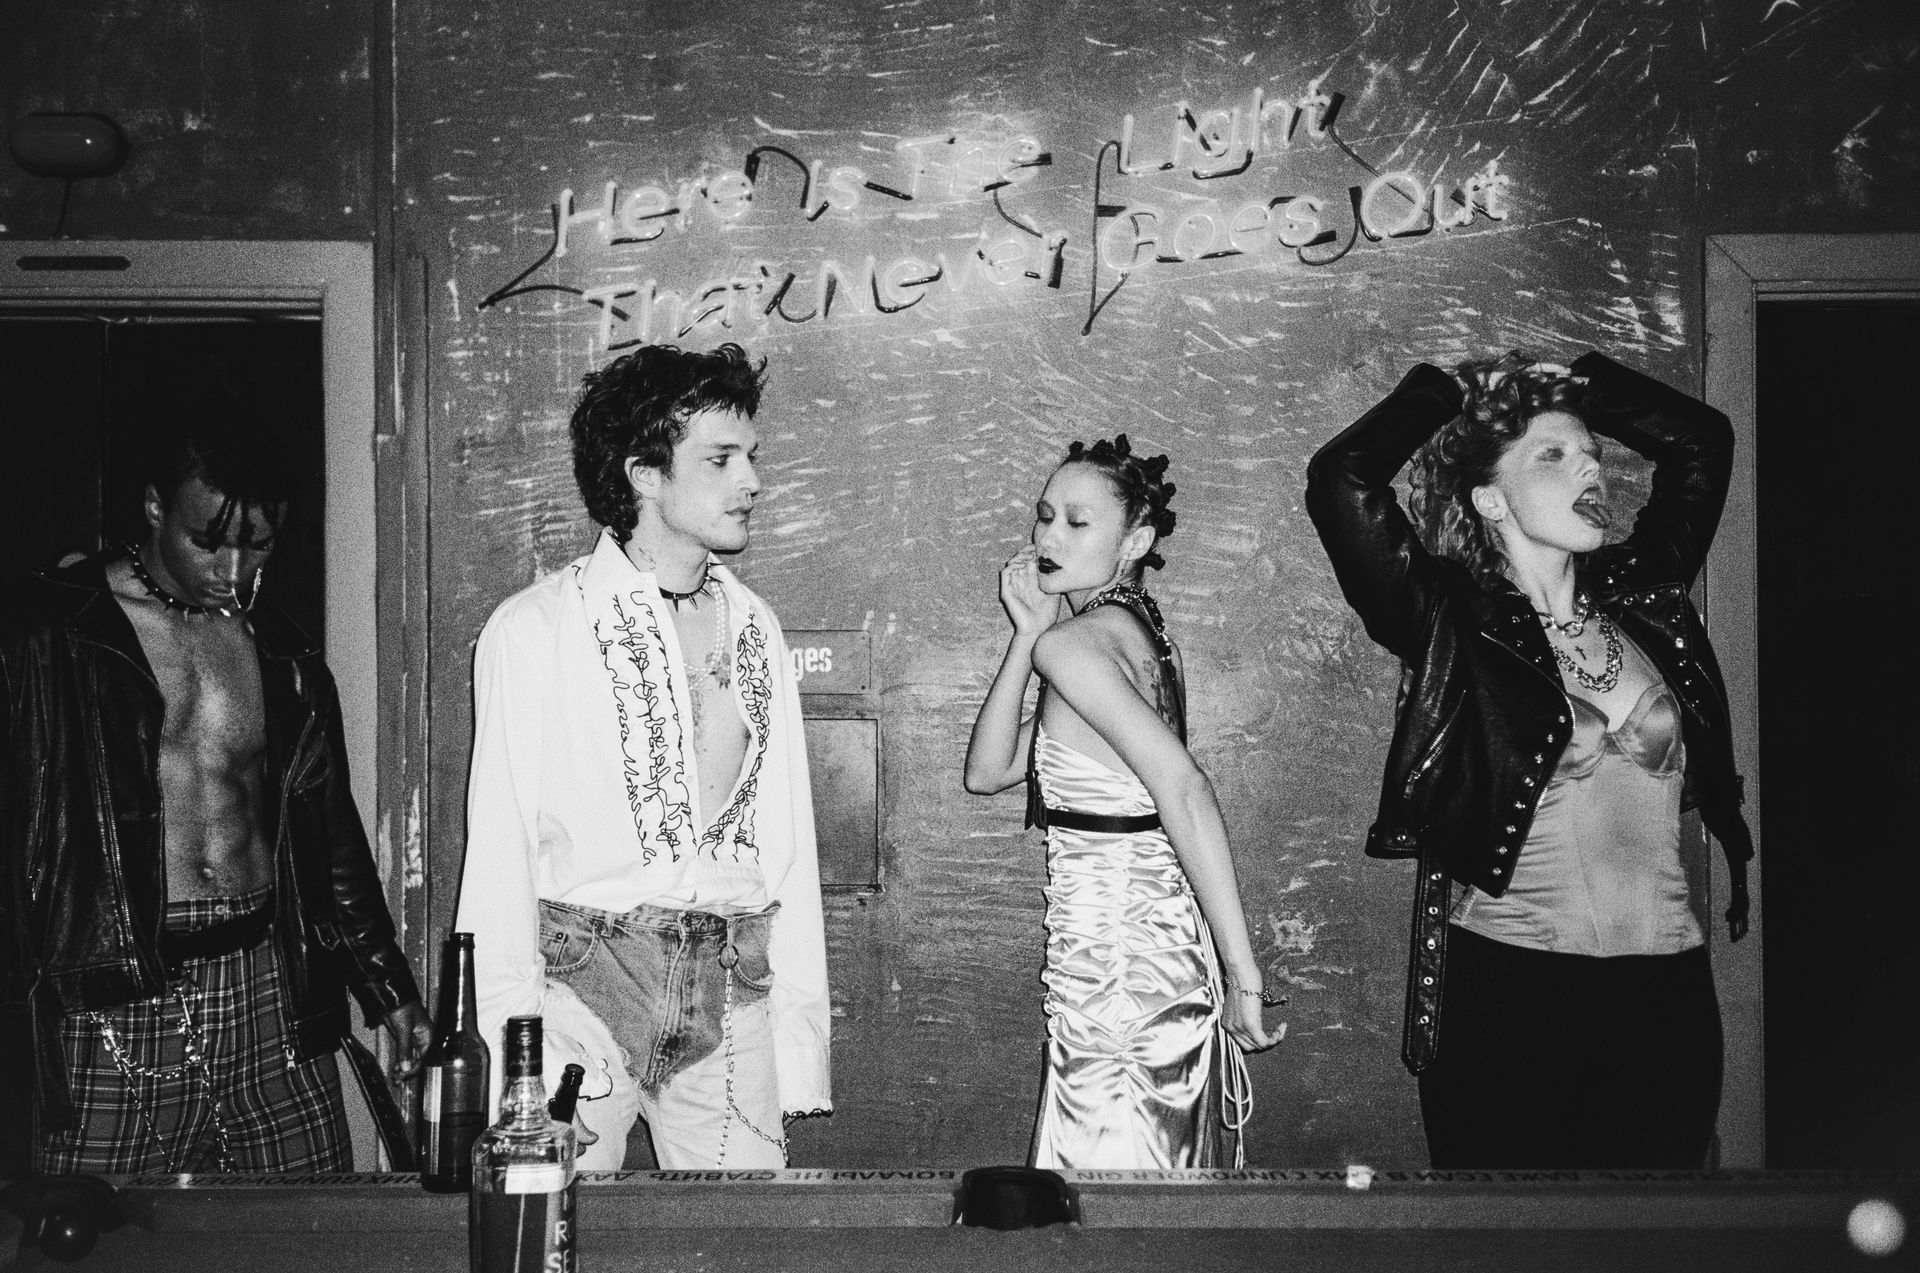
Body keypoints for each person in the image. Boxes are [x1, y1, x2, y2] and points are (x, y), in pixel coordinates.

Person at [1304, 351, 1754, 1169]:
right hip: (1512, 995)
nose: (1589, 465)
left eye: (1592, 453)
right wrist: (1446, 390)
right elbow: (1343, 478)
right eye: (1552, 454)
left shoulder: (1645, 593)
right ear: (1489, 498)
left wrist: (1587, 382)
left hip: (1667, 996)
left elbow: (1704, 442)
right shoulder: (1451, 622)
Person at [0, 411, 429, 1175]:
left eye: (257, 544)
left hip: (268, 985)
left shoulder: (285, 653)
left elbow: (329, 833)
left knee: (307, 1237)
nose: (232, 568)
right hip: (116, 991)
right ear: (156, 507)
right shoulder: (51, 637)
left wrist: (392, 992)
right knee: (95, 1243)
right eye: (208, 539)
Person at [455, 342, 830, 1171]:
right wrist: (508, 1065)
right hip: (576, 990)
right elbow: (498, 855)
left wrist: (801, 1033)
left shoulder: (755, 625)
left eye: (752, 457)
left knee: (741, 1253)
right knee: (548, 1235)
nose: (753, 482)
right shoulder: (534, 628)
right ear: (644, 474)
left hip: (728, 985)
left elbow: (787, 843)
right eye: (721, 459)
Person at [964, 435, 1282, 1169]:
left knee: (1111, 1201)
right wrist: (1027, 635)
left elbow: (1186, 787)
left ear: (1134, 539)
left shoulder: (1081, 644)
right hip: (1142, 962)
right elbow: (989, 771)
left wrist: (1246, 974)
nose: (1047, 537)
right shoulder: (1124, 633)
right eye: (1044, 517)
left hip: (1120, 976)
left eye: (1076, 522)